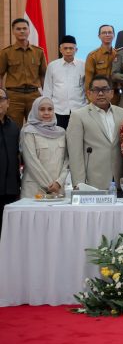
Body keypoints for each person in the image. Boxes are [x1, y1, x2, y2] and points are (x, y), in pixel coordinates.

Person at [66, 76, 123, 190]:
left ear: (112, 93)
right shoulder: (78, 116)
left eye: (105, 89)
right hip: (93, 182)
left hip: (121, 180)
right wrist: (79, 184)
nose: (100, 93)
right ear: (89, 93)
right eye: (96, 90)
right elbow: (75, 154)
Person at [0, 18, 47, 126]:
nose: (22, 31)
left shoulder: (38, 52)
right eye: (18, 29)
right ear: (13, 31)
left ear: (29, 31)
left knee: (36, 126)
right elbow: (0, 75)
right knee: (14, 127)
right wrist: (1, 95)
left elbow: (43, 75)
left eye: (24, 28)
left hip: (34, 95)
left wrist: (45, 95)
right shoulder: (6, 52)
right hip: (14, 97)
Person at [19, 97, 68, 198]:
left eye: (50, 109)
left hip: (58, 190)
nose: (46, 112)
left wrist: (59, 182)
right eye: (42, 109)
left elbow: (67, 160)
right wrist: (50, 185)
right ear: (35, 110)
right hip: (34, 189)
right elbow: (31, 161)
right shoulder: (28, 131)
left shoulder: (62, 132)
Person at [43, 35, 86, 129]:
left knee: (76, 136)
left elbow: (86, 88)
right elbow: (47, 89)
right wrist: (47, 109)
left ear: (76, 50)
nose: (68, 51)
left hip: (79, 109)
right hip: (58, 110)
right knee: (59, 136)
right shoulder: (52, 66)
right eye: (65, 48)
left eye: (71, 48)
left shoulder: (83, 65)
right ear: (60, 50)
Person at [0, 88, 20, 234]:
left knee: (10, 232)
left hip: (11, 190)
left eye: (1, 99)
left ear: (8, 103)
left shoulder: (14, 127)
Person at [84, 24, 118, 105]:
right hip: (98, 96)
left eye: (110, 32)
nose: (107, 35)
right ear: (99, 36)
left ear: (114, 35)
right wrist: (90, 101)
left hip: (115, 97)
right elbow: (88, 81)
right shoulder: (93, 56)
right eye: (104, 33)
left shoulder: (118, 54)